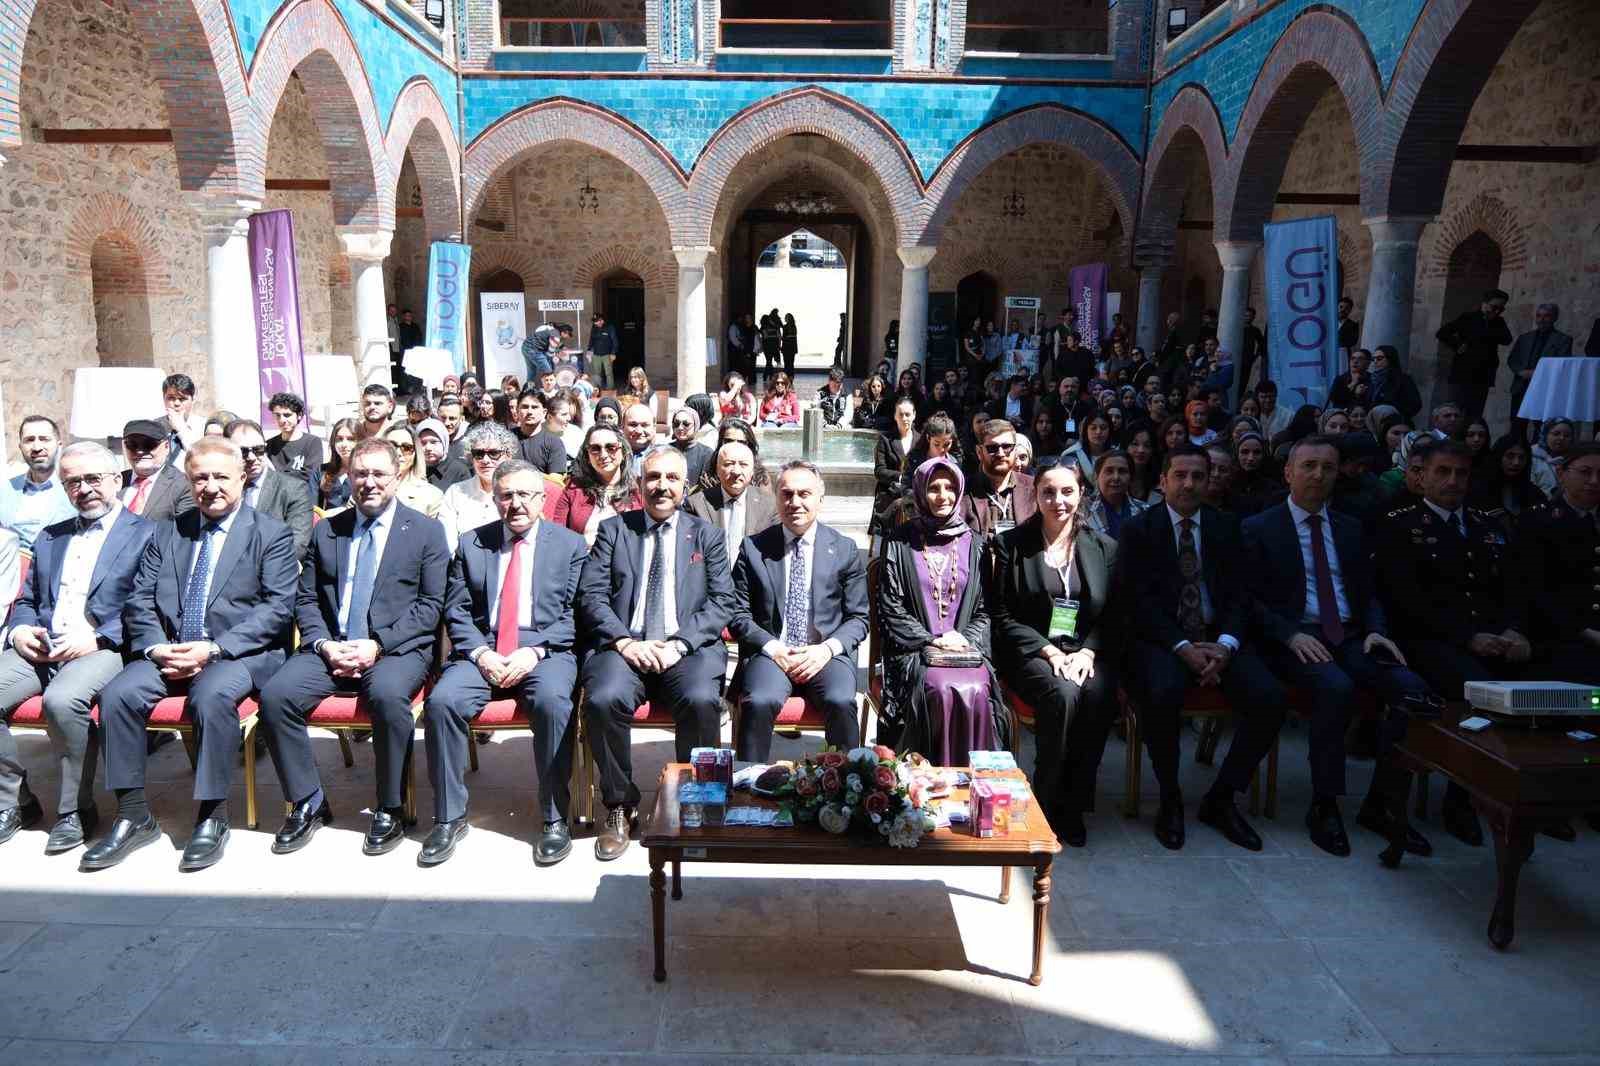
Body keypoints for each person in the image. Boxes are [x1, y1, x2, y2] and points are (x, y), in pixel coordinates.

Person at [85, 437, 297, 872]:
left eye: (221, 476)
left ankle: (212, 815)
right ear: (188, 481)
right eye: (200, 478)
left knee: (211, 696)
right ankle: (133, 815)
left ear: (242, 477)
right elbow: (139, 599)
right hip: (169, 650)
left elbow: (277, 609)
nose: (210, 486)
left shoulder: (270, 534)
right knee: (117, 696)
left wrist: (214, 648)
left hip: (236, 653)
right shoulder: (167, 532)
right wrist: (156, 646)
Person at [1243, 436, 1435, 857]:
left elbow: (1369, 591)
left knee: (1413, 689)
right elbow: (1248, 600)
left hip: (1351, 635)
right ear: (1288, 472)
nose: (1318, 475)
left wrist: (1376, 629)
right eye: (1308, 466)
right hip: (1294, 639)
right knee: (1336, 688)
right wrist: (1289, 634)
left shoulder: (1350, 527)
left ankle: (1382, 803)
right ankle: (1324, 804)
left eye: (1327, 468)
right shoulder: (1259, 527)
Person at [256, 439, 448, 857]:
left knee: (388, 696)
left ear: (397, 476)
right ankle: (307, 800)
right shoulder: (329, 530)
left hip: (395, 648)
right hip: (332, 645)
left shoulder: (426, 531)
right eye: (360, 473)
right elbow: (306, 597)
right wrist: (324, 644)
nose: (369, 482)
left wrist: (377, 645)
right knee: (275, 697)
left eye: (379, 474)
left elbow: (431, 605)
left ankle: (390, 807)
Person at [1116, 446, 1288, 852]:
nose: (1189, 484)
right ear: (1163, 481)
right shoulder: (1139, 529)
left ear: (1209, 480)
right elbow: (1136, 602)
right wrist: (1181, 647)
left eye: (1198, 476)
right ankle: (1170, 798)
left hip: (1218, 638)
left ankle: (1222, 798)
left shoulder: (1227, 527)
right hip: (1163, 640)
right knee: (1162, 692)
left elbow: (1242, 596)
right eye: (1180, 475)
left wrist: (1226, 645)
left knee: (1270, 698)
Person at [419, 460, 589, 867]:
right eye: (506, 495)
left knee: (552, 703)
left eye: (525, 494)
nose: (516, 504)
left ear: (542, 499)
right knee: (442, 703)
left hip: (544, 649)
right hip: (484, 647)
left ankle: (554, 818)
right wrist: (481, 653)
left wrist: (533, 652)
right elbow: (457, 610)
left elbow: (577, 613)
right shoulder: (472, 543)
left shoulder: (570, 546)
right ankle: (449, 817)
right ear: (494, 499)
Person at [578, 447, 736, 861]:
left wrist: (680, 644)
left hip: (686, 647)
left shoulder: (707, 535)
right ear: (638, 483)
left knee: (701, 700)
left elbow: (723, 601)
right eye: (652, 477)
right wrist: (625, 642)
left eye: (671, 478)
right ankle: (620, 804)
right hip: (625, 644)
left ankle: (697, 803)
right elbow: (591, 596)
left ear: (685, 486)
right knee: (602, 699)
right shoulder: (614, 531)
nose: (661, 486)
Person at [1375, 440, 1531, 847]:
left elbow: (1511, 589)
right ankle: (1393, 802)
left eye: (1461, 473)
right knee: (1477, 688)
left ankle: (1487, 795)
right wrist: (1467, 637)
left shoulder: (1487, 526)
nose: (1452, 481)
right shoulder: (1400, 525)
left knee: (1530, 686)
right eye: (1442, 472)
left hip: (1488, 640)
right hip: (1424, 640)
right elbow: (1403, 599)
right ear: (1421, 475)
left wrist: (1513, 630)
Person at [0, 444, 152, 853]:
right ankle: (14, 801)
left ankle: (75, 809)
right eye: (72, 482)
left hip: (106, 645)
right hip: (44, 644)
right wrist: (20, 631)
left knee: (63, 700)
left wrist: (97, 637)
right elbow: (27, 598)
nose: (83, 489)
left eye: (92, 479)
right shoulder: (52, 536)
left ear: (116, 480)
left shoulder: (147, 534)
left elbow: (147, 604)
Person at [987, 462, 1121, 845]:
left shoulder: (1103, 547)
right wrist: (1048, 652)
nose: (1057, 500)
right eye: (1048, 492)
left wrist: (1088, 652)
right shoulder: (1011, 545)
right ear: (1035, 496)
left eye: (1067, 491)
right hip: (1031, 649)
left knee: (1098, 695)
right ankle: (1046, 798)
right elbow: (1002, 614)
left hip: (1084, 650)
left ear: (1081, 494)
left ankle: (1075, 802)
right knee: (1062, 694)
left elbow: (1114, 612)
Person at [729, 462, 867, 760]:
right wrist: (773, 648)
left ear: (820, 498)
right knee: (758, 701)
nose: (795, 502)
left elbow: (859, 618)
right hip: (772, 653)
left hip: (825, 654)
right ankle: (749, 781)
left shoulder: (844, 549)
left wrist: (826, 650)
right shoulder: (753, 548)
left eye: (804, 494)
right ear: (776, 498)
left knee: (841, 701)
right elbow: (737, 614)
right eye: (787, 494)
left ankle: (849, 781)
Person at [876, 456, 1006, 758]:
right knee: (938, 687)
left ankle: (973, 776)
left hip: (964, 649)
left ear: (959, 491)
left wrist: (964, 639)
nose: (942, 496)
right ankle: (927, 774)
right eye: (934, 488)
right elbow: (890, 606)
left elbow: (985, 608)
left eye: (950, 488)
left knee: (977, 689)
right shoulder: (898, 542)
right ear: (921, 491)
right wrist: (932, 640)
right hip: (915, 649)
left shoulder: (975, 544)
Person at [1509, 443, 1600, 686]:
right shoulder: (1538, 520)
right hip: (1557, 635)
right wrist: (1584, 631)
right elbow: (1533, 588)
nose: (1594, 481)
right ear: (1561, 474)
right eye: (1585, 472)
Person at [227, 421, 314, 563]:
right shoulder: (222, 488)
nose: (251, 457)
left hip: (272, 571)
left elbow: (297, 546)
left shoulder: (294, 489)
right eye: (243, 452)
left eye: (258, 450)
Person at [685, 439, 777, 567]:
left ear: (752, 472)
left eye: (743, 465)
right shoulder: (696, 504)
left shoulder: (770, 504)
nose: (736, 471)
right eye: (728, 464)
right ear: (717, 470)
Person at [549, 424, 643, 546]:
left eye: (611, 447)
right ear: (587, 456)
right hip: (583, 556)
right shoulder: (574, 489)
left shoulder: (640, 488)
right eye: (595, 449)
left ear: (623, 451)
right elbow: (557, 534)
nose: (603, 455)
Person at [0, 415, 75, 552]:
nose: (37, 447)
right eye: (29, 440)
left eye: (44, 439)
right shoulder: (5, 490)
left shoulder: (75, 487)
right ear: (20, 447)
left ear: (59, 445)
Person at [1436, 288, 1512, 419]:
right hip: (1462, 374)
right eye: (1494, 307)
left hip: (1483, 376)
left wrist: (1491, 323)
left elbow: (1507, 340)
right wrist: (1457, 345)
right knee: (1455, 412)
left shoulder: (1498, 322)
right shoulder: (1468, 318)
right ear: (1485, 303)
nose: (1497, 311)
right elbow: (1442, 332)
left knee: (1475, 414)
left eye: (1501, 309)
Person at [439, 421, 516, 552]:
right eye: (479, 454)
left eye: (494, 453)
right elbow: (447, 541)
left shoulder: (518, 492)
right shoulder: (456, 493)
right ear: (471, 457)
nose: (485, 460)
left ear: (508, 456)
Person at [959, 418, 1037, 539]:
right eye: (992, 448)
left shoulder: (1033, 488)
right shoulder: (962, 491)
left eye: (1007, 447)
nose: (1000, 453)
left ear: (1015, 450)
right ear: (979, 452)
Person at [1506, 302, 1573, 441]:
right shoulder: (1524, 338)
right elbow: (1513, 359)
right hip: (1521, 387)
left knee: (1542, 428)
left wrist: (1537, 374)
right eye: (1538, 316)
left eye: (1546, 316)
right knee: (1517, 426)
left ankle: (1537, 453)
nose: (1541, 319)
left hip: (1545, 389)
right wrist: (1520, 372)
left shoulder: (1563, 340)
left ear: (1555, 318)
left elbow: (1562, 363)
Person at [118, 418, 195, 523]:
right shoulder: (114, 481)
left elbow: (184, 530)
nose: (140, 451)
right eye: (132, 444)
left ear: (166, 447)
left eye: (148, 444)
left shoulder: (184, 485)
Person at [873, 397, 919, 531]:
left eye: (908, 414)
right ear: (895, 416)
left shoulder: (921, 440)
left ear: (914, 415)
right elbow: (879, 471)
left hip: (915, 497)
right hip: (889, 494)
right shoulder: (885, 440)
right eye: (901, 415)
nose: (904, 418)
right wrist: (901, 477)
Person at [1083, 450, 1151, 539]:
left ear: (1131, 478)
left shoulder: (1146, 511)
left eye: (1122, 471)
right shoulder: (1082, 510)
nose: (1116, 477)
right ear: (1097, 476)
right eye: (1109, 471)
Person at [384, 422, 445, 519]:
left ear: (415, 454)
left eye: (406, 448)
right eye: (392, 446)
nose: (398, 453)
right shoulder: (366, 486)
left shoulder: (432, 495)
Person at [265, 392, 325, 489]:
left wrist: (276, 476)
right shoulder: (269, 444)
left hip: (302, 495)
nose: (282, 420)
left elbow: (311, 474)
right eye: (278, 415)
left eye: (287, 415)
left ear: (299, 415)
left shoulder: (313, 442)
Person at [513, 389, 565, 475]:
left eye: (534, 407)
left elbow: (556, 479)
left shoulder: (554, 443)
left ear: (544, 412)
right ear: (517, 410)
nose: (529, 412)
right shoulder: (506, 438)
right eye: (525, 407)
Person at [1366, 345, 1421, 422]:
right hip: (1373, 423)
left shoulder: (1403, 379)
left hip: (1395, 423)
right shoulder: (1371, 379)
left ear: (1390, 359)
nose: (1375, 361)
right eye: (1373, 359)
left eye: (1379, 358)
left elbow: (1415, 404)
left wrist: (1396, 415)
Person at [160, 373, 206, 462]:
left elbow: (202, 458)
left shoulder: (203, 426)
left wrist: (181, 429)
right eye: (171, 398)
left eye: (182, 399)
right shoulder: (155, 426)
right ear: (164, 398)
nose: (176, 403)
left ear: (193, 399)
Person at [1059, 411, 1113, 484]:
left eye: (1103, 428)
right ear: (1085, 430)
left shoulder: (1116, 455)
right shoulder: (1070, 455)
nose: (1098, 432)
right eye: (1093, 428)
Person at [419, 418, 470, 490]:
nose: (428, 448)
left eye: (434, 442)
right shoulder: (413, 469)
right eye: (423, 443)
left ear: (444, 443)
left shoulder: (459, 471)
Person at [320, 418, 359, 509]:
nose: (344, 444)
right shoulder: (321, 471)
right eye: (339, 439)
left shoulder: (368, 474)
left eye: (351, 439)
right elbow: (312, 508)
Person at [1530, 417, 1572, 499]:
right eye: (1556, 434)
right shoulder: (1532, 458)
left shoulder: (1575, 460)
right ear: (1545, 435)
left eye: (1567, 435)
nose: (1562, 438)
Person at [1236, 307, 1267, 404]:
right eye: (1246, 315)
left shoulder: (1255, 330)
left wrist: (1255, 356)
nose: (1247, 317)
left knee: (1242, 383)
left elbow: (1262, 344)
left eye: (1250, 316)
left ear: (1253, 317)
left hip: (1246, 361)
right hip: (1235, 360)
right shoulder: (1236, 328)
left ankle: (1238, 402)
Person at [588, 311, 619, 390]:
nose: (595, 323)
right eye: (594, 322)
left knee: (608, 373)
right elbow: (591, 339)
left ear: (602, 320)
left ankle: (610, 389)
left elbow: (614, 341)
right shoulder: (594, 327)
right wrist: (589, 351)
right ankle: (598, 389)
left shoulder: (609, 327)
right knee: (596, 374)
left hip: (607, 354)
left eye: (596, 321)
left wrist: (613, 353)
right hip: (596, 354)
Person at [726, 315, 750, 382]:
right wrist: (739, 344)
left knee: (737, 364)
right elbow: (733, 338)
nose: (741, 320)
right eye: (740, 319)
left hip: (737, 348)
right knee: (734, 364)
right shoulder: (733, 327)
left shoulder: (737, 327)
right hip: (734, 348)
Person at [781, 313, 799, 378]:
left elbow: (784, 337)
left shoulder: (785, 327)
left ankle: (787, 375)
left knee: (786, 363)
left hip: (786, 347)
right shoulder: (794, 326)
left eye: (786, 317)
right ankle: (791, 376)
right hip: (792, 347)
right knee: (791, 362)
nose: (785, 318)